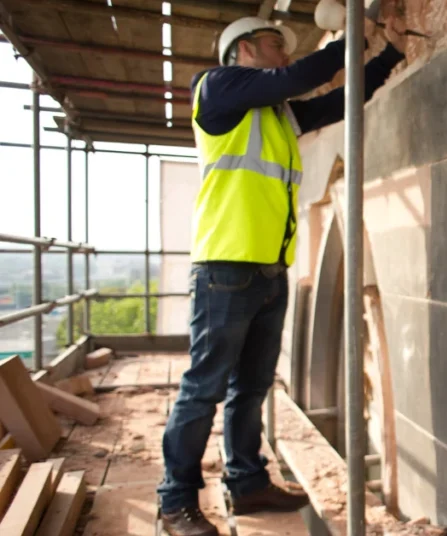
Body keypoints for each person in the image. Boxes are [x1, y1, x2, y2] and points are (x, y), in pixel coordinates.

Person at [157, 14, 407, 536]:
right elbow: (295, 79)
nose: (286, 55)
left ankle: (246, 483)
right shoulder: (216, 89)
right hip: (225, 267)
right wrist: (354, 37)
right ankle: (174, 504)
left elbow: (336, 101)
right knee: (203, 391)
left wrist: (388, 57)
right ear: (244, 50)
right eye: (277, 45)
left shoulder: (275, 115)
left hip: (268, 272)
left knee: (251, 387)